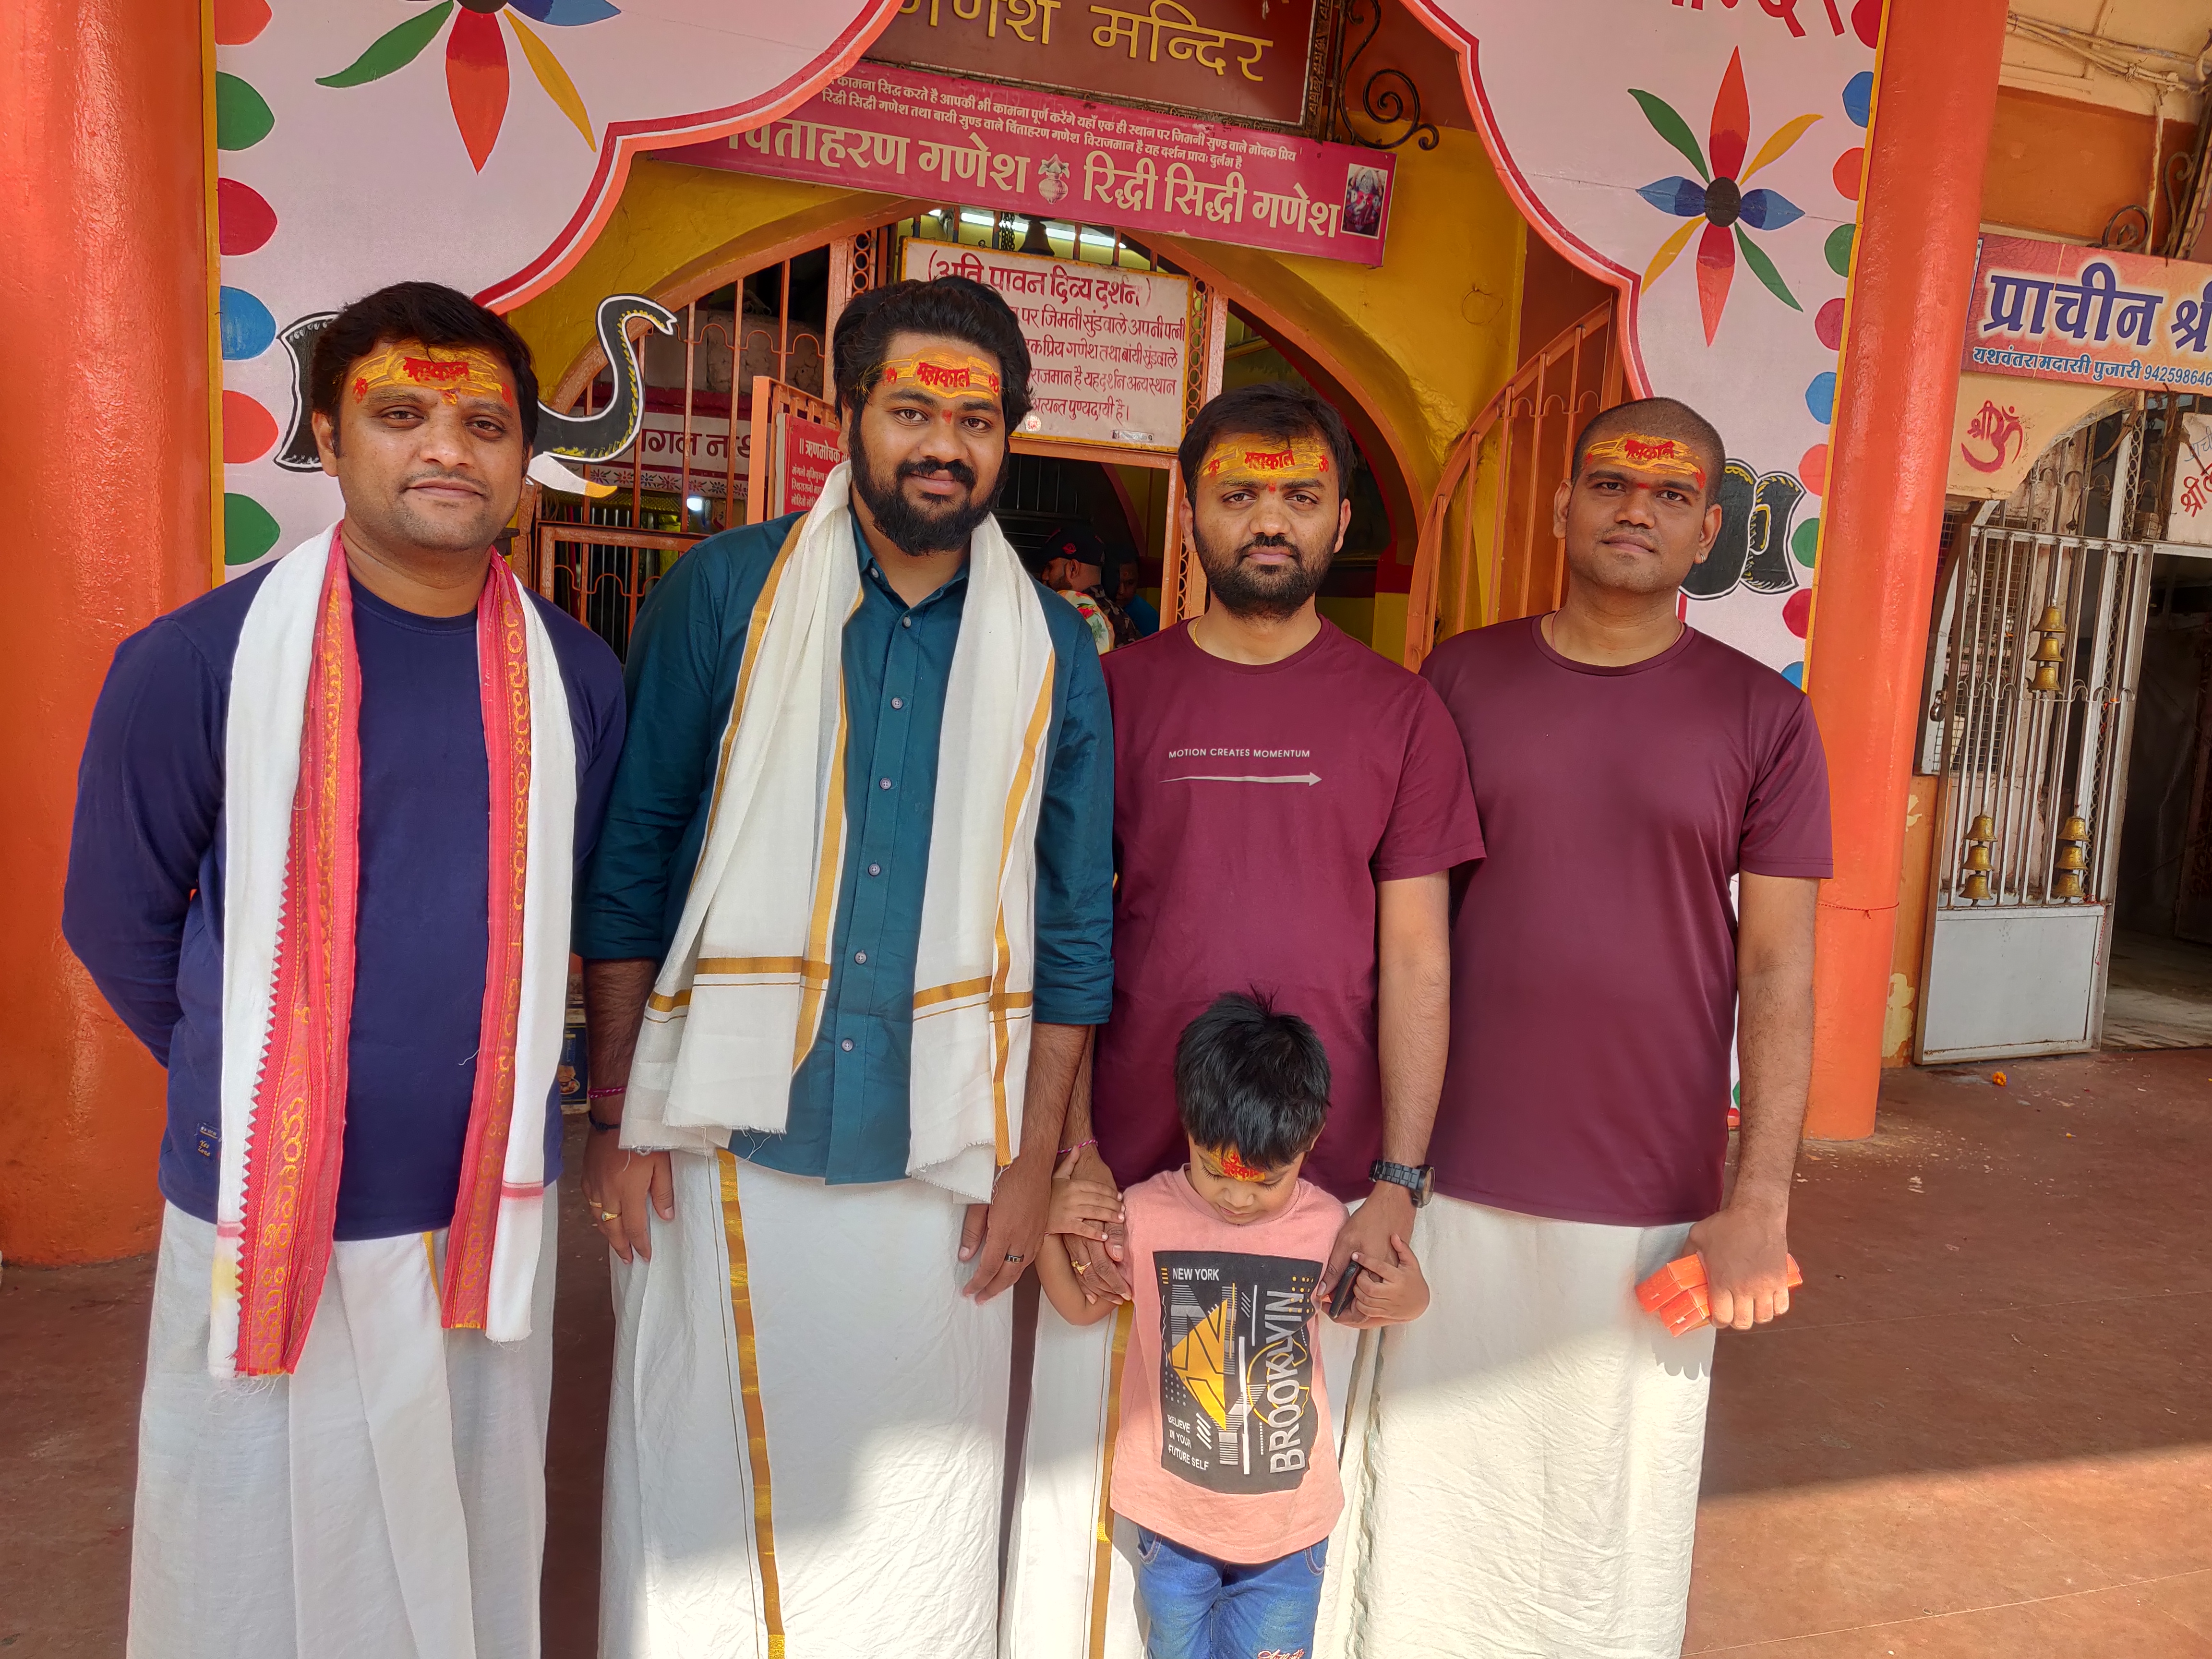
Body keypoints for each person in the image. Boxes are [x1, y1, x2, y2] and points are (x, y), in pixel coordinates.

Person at [62, 281, 626, 1657]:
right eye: (401, 413)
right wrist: (253, 1075)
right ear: (328, 433)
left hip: (483, 1209)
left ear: (523, 454)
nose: (449, 448)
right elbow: (117, 920)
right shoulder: (196, 663)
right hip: (268, 1202)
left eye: (486, 422)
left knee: (468, 1541)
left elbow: (589, 898)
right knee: (250, 1564)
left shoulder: (576, 677)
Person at [576, 275, 1113, 1659]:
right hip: (719, 1135)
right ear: (849, 420)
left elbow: (1071, 932)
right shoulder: (732, 591)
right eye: (914, 408)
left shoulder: (1055, 648)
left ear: (1013, 437)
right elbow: (636, 854)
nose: (945, 441)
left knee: (912, 1527)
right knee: (707, 1489)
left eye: (977, 418)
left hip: (938, 1147)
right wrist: (619, 1112)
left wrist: (1031, 1163)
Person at [1342, 397, 1832, 1656]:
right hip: (1451, 1174)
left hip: (1651, 1198)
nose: (1636, 510)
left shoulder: (1763, 718)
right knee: (1431, 1505)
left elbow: (1779, 969)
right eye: (1611, 483)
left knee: (1613, 1524)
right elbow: (1400, 935)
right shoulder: (1457, 679)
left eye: (1671, 496)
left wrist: (1760, 1195)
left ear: (1710, 530)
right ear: (1562, 507)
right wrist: (1382, 1169)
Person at [1003, 381, 1480, 1656]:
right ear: (1194, 515)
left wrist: (1396, 1179)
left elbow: (1421, 964)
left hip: (1316, 1186)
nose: (1271, 520)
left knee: (1285, 1473)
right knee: (1117, 1482)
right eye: (1240, 494)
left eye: (1301, 497)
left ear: (1339, 524)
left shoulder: (1401, 713)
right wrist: (1070, 1154)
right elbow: (1066, 932)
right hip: (1129, 1172)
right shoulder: (1115, 694)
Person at [1036, 993, 1426, 1659]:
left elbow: (1379, 1309)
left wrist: (1413, 1295)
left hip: (1286, 1537)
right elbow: (1078, 1307)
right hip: (1173, 1527)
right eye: (1216, 1172)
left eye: (1266, 1182)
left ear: (1307, 1143)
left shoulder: (1329, 1227)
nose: (1238, 1197)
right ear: (1188, 1126)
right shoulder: (1145, 1213)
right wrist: (1047, 1220)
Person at [1033, 520, 1118, 653]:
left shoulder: (1069, 611)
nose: (1045, 577)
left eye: (1050, 567)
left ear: (1073, 569)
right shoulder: (1119, 618)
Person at [1113, 554, 1160, 639]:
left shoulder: (1148, 618)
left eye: (1130, 583)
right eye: (1116, 581)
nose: (1122, 591)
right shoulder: (1092, 606)